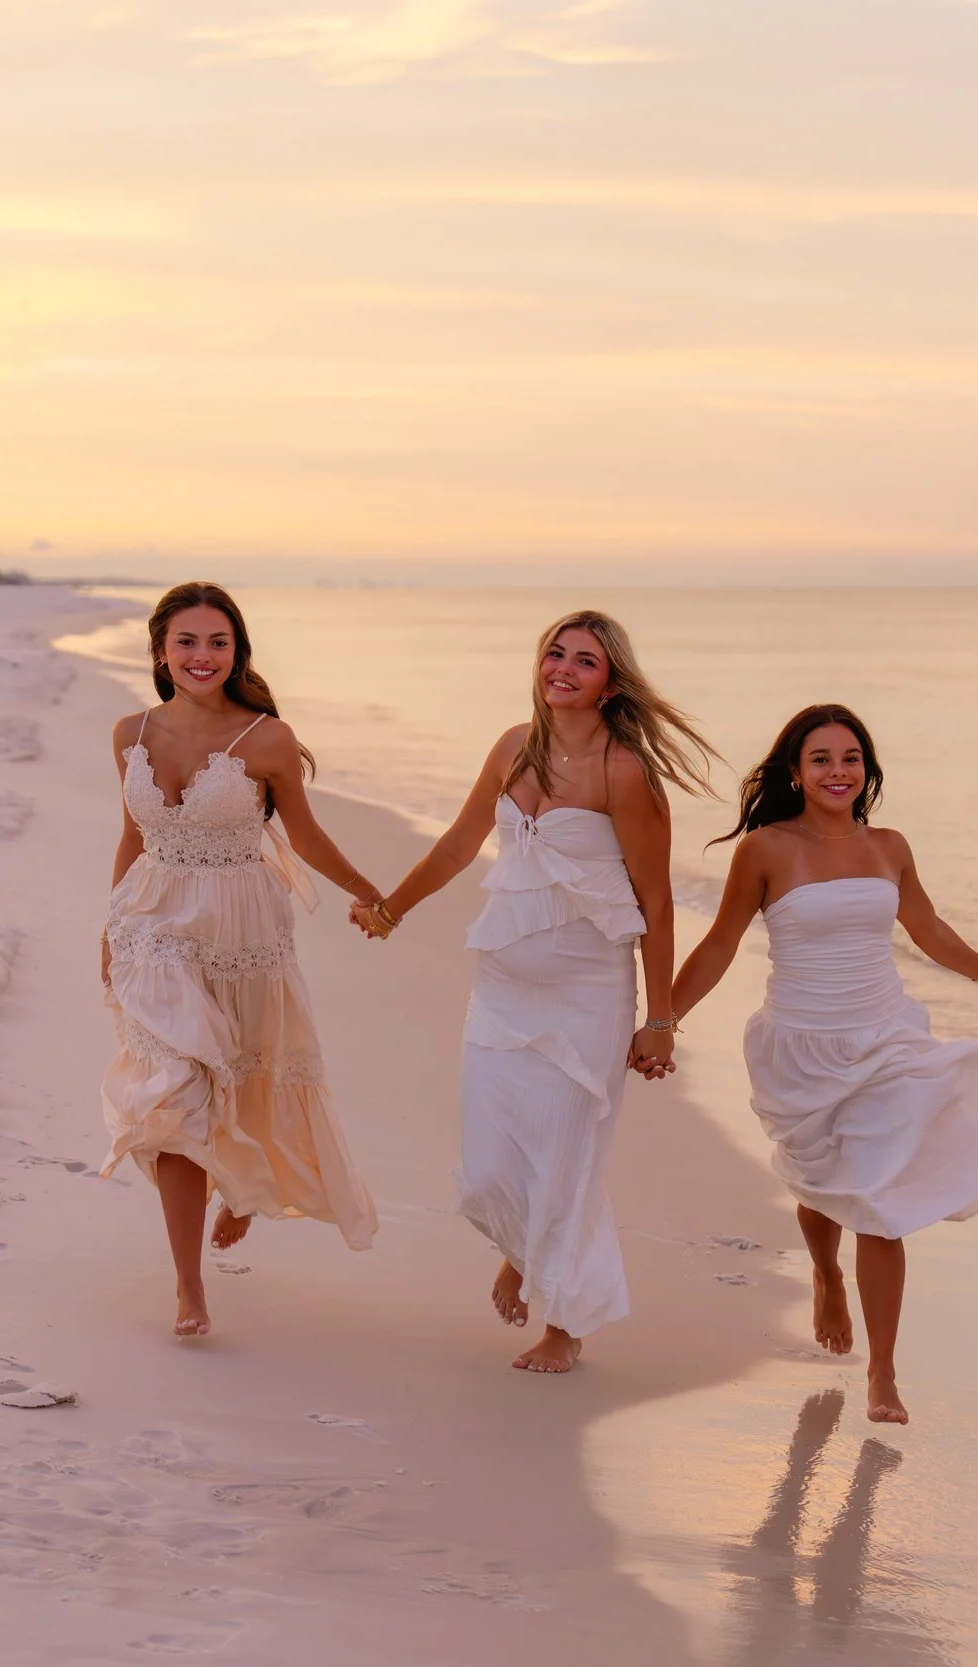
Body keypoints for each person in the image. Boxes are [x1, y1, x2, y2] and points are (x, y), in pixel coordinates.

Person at [355, 611, 714, 1373]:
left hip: (588, 996)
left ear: (609, 682)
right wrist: (391, 909)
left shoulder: (626, 773)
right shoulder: (512, 747)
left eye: (584, 660)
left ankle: (564, 1324)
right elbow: (458, 844)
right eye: (555, 653)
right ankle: (520, 1248)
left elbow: (655, 902)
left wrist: (661, 1021)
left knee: (568, 1158)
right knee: (489, 1163)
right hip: (502, 991)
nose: (563, 668)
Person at [670, 704, 978, 1422]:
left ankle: (883, 1373)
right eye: (822, 759)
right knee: (819, 1178)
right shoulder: (767, 848)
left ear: (867, 770)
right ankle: (825, 1272)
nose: (838, 771)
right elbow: (719, 943)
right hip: (802, 1045)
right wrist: (661, 1020)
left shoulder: (889, 845)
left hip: (885, 1039)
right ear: (795, 773)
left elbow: (923, 925)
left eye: (851, 758)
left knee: (878, 1201)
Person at [101, 582, 385, 1338]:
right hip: (152, 927)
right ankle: (189, 1287)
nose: (202, 656)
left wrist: (370, 893)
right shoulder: (129, 730)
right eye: (187, 641)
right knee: (177, 1094)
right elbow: (132, 834)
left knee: (247, 1078)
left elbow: (306, 834)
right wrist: (109, 927)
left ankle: (245, 1188)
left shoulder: (266, 737)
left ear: (237, 651)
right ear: (160, 648)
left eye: (217, 642)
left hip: (241, 928)